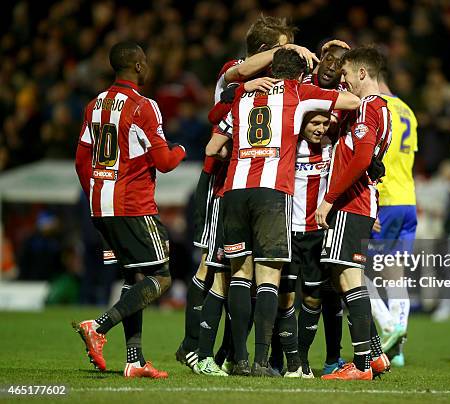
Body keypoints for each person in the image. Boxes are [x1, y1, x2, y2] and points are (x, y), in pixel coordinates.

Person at [176, 14, 318, 368]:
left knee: (244, 275)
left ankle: (228, 353)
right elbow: (219, 113)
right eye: (283, 48)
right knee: (214, 267)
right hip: (224, 184)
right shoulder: (237, 74)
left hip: (250, 183)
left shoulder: (274, 89)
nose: (291, 55)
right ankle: (193, 345)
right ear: (266, 51)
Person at [208, 48, 360, 377]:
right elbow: (352, 103)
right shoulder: (297, 91)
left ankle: (240, 359)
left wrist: (242, 87)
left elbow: (213, 144)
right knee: (269, 279)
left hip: (233, 190)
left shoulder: (241, 95)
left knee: (239, 275)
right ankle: (262, 361)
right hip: (271, 192)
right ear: (298, 74)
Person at [73, 41, 186, 378]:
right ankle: (99, 326)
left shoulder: (95, 105)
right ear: (138, 65)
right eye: (146, 60)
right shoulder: (143, 106)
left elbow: (81, 160)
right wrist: (180, 148)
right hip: (132, 205)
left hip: (101, 205)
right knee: (162, 277)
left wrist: (97, 193)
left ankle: (135, 360)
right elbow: (165, 162)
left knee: (133, 277)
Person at [269, 42, 350, 377]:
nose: (319, 128)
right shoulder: (290, 142)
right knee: (285, 297)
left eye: (323, 123)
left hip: (318, 233)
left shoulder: (331, 146)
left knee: (316, 298)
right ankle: (278, 359)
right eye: (313, 123)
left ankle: (302, 359)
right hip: (288, 229)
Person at [315, 46, 392, 381]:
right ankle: (374, 356)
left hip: (350, 203)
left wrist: (330, 199)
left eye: (346, 74)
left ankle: (360, 366)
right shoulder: (385, 108)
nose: (342, 80)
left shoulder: (366, 108)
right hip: (361, 202)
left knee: (348, 279)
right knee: (342, 278)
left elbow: (361, 159)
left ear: (362, 73)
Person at [368, 67, 419, 368]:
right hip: (408, 201)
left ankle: (388, 326)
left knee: (353, 271)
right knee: (396, 275)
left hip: (384, 200)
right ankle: (397, 350)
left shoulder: (378, 106)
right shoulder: (408, 110)